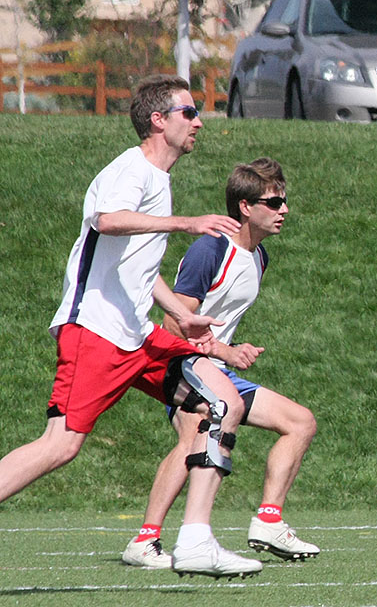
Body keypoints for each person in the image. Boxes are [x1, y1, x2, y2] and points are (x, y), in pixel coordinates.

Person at [0, 75, 262, 578]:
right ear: (158, 120)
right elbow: (107, 219)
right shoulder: (133, 169)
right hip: (96, 332)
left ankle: (194, 541)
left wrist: (183, 315)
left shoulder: (159, 181)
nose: (199, 122)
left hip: (138, 336)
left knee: (218, 403)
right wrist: (187, 223)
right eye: (190, 112)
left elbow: (136, 266)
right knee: (61, 444)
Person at [122, 157, 319, 568]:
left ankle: (268, 521)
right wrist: (223, 351)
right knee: (194, 431)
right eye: (274, 202)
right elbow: (176, 326)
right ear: (245, 207)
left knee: (300, 422)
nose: (284, 210)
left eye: (284, 201)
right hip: (183, 364)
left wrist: (227, 353)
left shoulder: (259, 257)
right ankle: (145, 540)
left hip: (217, 368)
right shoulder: (210, 248)